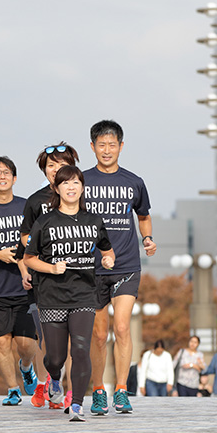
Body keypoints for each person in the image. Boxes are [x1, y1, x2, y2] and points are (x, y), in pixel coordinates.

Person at [24, 165, 115, 422]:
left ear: (82, 187)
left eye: (75, 182)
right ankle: (54, 378)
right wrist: (52, 268)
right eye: (65, 183)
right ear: (57, 188)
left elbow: (107, 251)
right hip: (52, 295)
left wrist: (108, 260)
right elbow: (29, 259)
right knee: (55, 357)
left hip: (85, 294)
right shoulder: (45, 221)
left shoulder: (94, 221)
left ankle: (76, 404)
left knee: (81, 348)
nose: (71, 187)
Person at [84, 120, 156, 415]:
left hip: (126, 263)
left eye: (112, 144)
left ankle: (122, 390)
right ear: (92, 147)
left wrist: (148, 238)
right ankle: (99, 389)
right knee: (99, 335)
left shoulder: (134, 182)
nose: (107, 150)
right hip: (91, 266)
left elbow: (143, 216)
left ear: (121, 147)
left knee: (123, 327)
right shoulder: (82, 180)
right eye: (101, 144)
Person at [19, 143, 79, 409]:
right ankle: (50, 383)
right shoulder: (35, 201)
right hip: (45, 278)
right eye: (50, 166)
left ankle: (66, 388)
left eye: (61, 164)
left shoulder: (80, 197)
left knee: (73, 336)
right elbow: (24, 237)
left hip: (77, 279)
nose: (55, 170)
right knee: (49, 336)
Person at [0, 156, 39, 406]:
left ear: (14, 178)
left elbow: (38, 243)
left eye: (7, 173)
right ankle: (13, 389)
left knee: (26, 345)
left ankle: (26, 367)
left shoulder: (28, 207)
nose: (2, 176)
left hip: (25, 287)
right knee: (2, 341)